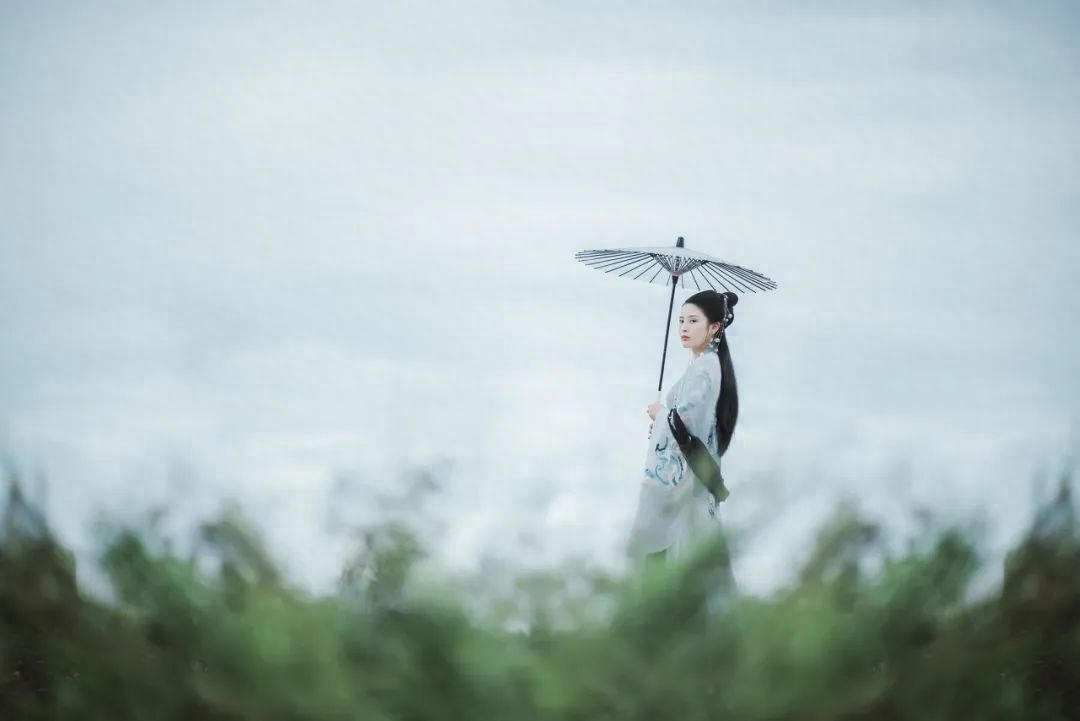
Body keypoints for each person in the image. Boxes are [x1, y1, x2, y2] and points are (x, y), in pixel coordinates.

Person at [626, 289, 739, 598]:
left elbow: (687, 425)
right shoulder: (705, 365)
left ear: (714, 327)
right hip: (691, 482)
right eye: (680, 321)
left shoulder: (706, 369)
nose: (684, 328)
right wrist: (664, 423)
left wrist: (661, 414)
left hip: (687, 485)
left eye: (693, 321)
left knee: (678, 560)